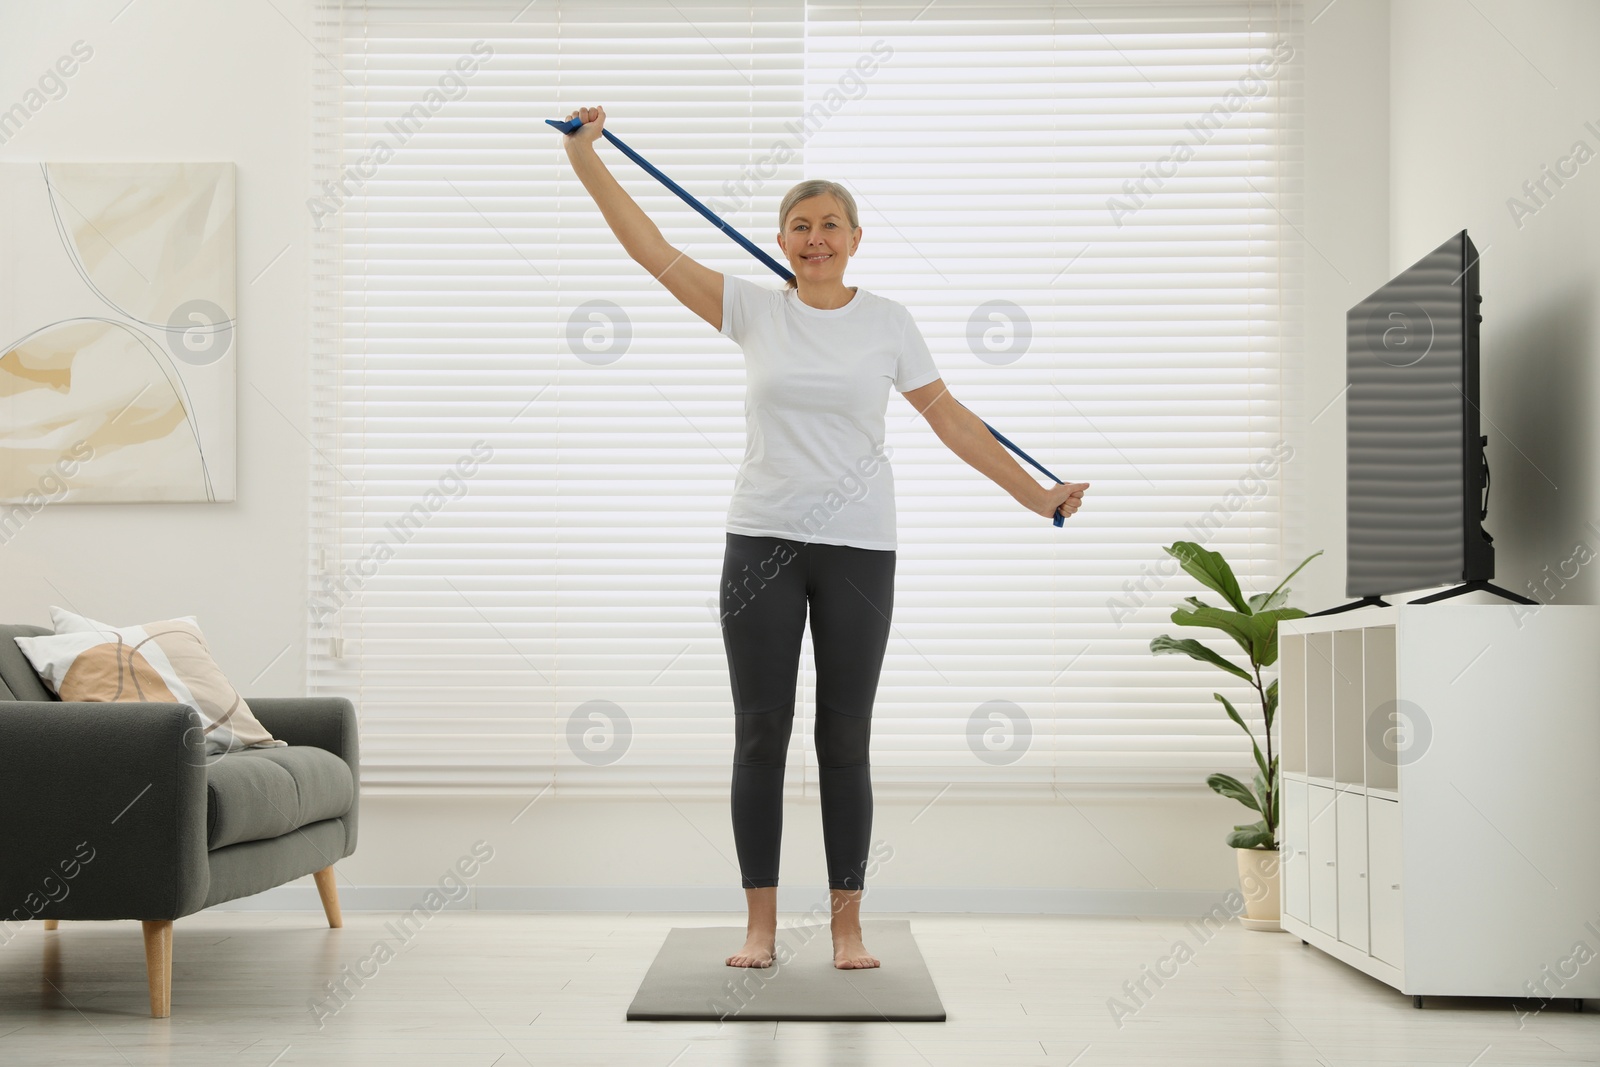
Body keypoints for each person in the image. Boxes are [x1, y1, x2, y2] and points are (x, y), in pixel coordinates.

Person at [559, 105, 1088, 970]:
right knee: (760, 733)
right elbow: (651, 251)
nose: (815, 238)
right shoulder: (753, 311)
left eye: (829, 224)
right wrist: (588, 159)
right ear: (780, 237)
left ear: (855, 238)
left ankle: (847, 925)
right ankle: (760, 925)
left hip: (857, 550)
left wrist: (1035, 497)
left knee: (845, 739)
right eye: (800, 226)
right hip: (758, 542)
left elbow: (951, 419)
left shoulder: (888, 322)